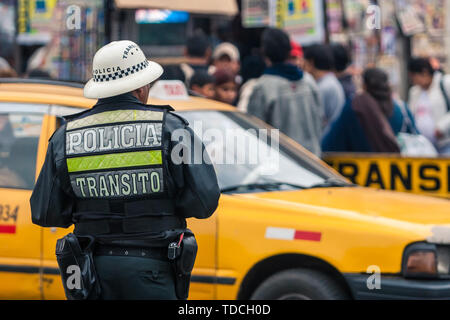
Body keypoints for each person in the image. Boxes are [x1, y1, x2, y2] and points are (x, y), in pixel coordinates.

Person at [30, 40, 220, 300]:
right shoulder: (172, 129)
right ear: (141, 88)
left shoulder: (65, 137)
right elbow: (205, 201)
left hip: (91, 276)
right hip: (154, 272)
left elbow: (45, 212)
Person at [247, 28, 323, 156]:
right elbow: (319, 122)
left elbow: (254, 135)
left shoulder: (263, 87)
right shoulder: (309, 81)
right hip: (312, 162)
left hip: (282, 165)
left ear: (264, 52)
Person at [322, 68, 417, 153]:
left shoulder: (354, 107)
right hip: (399, 169)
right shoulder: (402, 109)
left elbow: (330, 144)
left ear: (364, 86)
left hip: (358, 169)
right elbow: (416, 140)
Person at [408, 57, 450, 154]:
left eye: (414, 76)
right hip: (423, 147)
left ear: (424, 72)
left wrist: (442, 127)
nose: (413, 81)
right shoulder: (414, 92)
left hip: (445, 143)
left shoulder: (444, 83)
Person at [303, 44, 345, 132]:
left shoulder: (323, 87)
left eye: (304, 62)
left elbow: (316, 121)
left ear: (311, 62)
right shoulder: (330, 81)